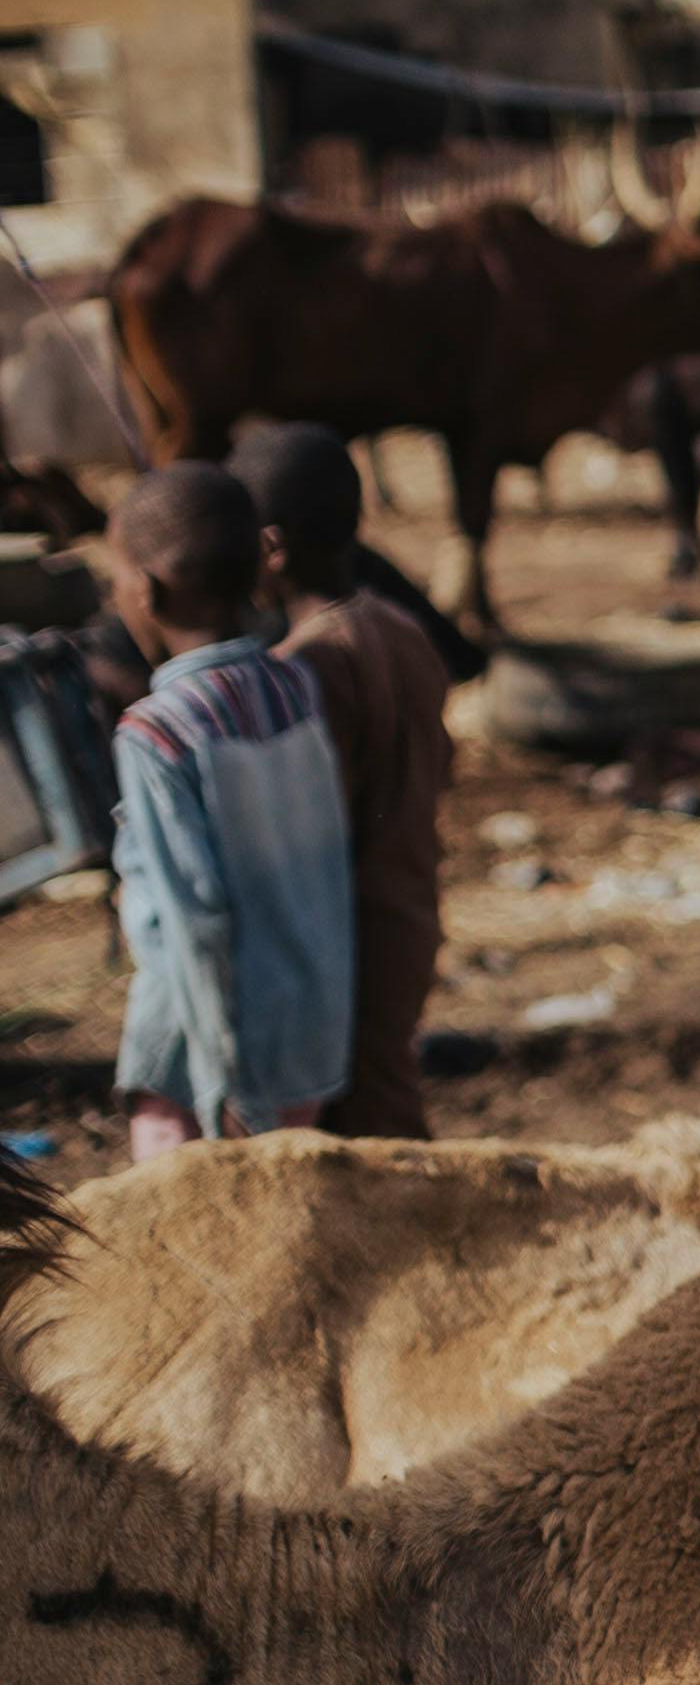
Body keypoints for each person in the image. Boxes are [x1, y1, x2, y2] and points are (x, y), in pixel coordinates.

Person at [100, 464, 348, 1158]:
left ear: (145, 590)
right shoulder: (296, 685)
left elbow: (195, 920)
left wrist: (226, 1083)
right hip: (306, 1016)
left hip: (202, 1042)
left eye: (115, 573)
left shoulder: (156, 731)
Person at [240, 422, 452, 1138]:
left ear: (269, 547)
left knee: (373, 1135)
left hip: (349, 936)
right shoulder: (401, 628)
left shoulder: (305, 668)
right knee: (383, 1092)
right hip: (409, 914)